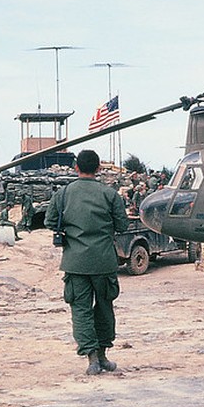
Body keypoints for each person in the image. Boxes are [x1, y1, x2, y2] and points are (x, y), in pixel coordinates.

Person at [45, 149, 130, 375]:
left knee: (80, 310)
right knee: (104, 308)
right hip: (104, 261)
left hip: (75, 263)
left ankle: (91, 359)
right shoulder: (110, 194)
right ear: (99, 168)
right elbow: (122, 226)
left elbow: (50, 221)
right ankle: (103, 355)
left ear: (76, 168)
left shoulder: (62, 194)